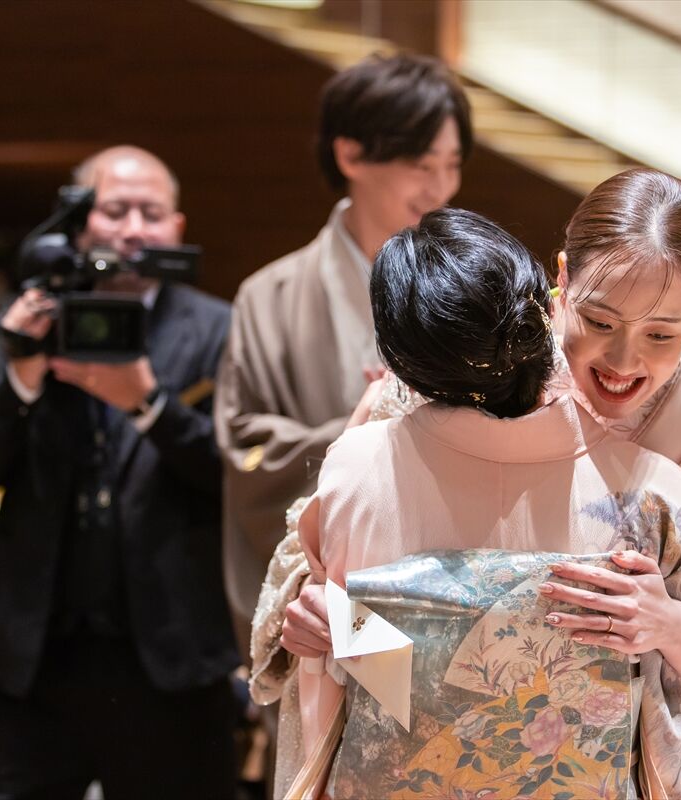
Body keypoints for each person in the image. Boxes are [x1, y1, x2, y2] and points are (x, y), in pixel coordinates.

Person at [271, 168, 681, 799]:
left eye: (661, 334)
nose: (623, 362)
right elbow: (319, 559)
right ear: (563, 277)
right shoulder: (474, 358)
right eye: (600, 321)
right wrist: (323, 614)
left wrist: (672, 626)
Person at [0, 145, 238, 799]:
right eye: (115, 210)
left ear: (177, 228)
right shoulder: (26, 321)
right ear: (78, 222)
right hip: (37, 657)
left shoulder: (218, 329)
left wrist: (150, 406)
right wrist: (20, 379)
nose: (133, 229)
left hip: (172, 656)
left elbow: (238, 477)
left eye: (151, 213)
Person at [214, 53, 472, 635]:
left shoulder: (474, 288)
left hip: (452, 586)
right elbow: (248, 449)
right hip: (327, 601)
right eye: (420, 164)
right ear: (351, 154)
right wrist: (370, 428)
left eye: (452, 165)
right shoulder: (271, 296)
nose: (441, 187)